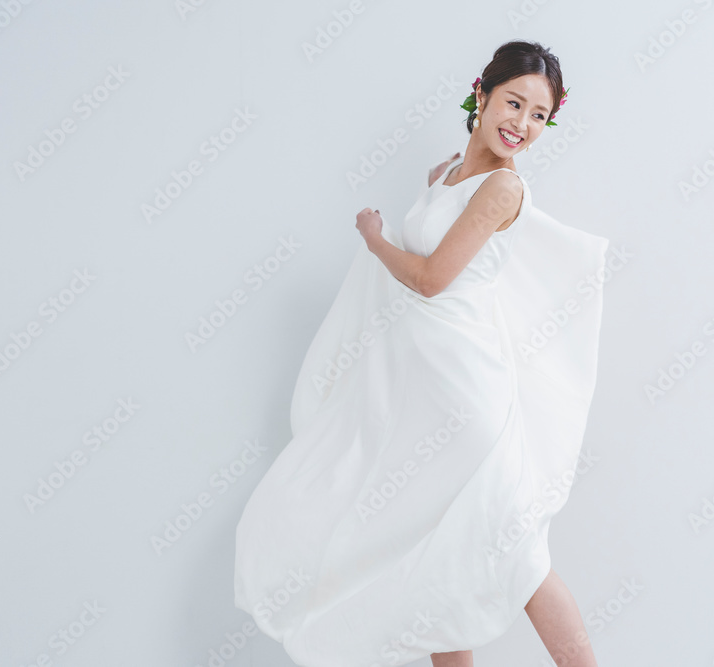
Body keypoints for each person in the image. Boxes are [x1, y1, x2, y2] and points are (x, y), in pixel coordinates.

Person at [234, 40, 608, 667]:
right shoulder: (448, 175)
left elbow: (433, 279)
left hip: (469, 397)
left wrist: (375, 238)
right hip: (426, 400)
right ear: (481, 94)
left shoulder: (501, 190)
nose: (522, 124)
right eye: (514, 103)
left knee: (518, 555)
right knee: (437, 565)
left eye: (540, 115)